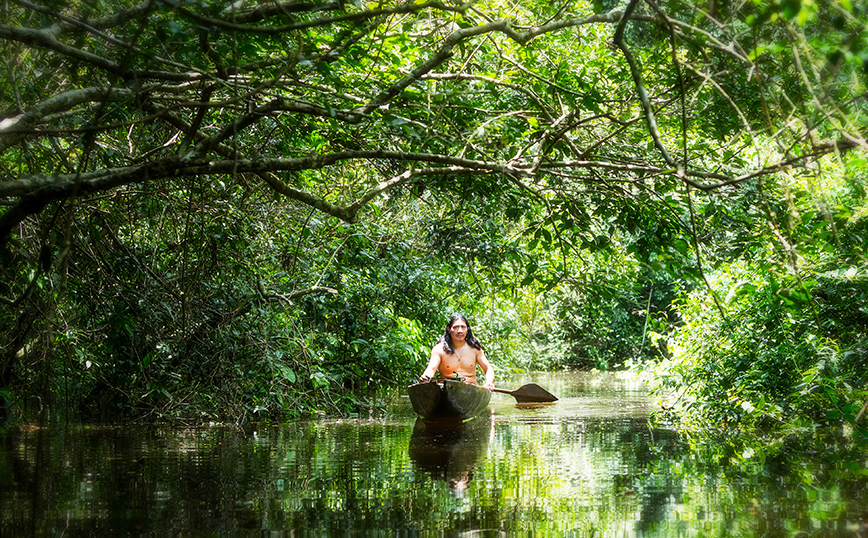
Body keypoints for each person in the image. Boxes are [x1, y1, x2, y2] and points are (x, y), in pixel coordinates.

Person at [419, 314, 495, 391]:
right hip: (448, 391)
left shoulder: (475, 349)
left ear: (467, 329)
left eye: (463, 327)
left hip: (471, 391)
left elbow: (488, 369)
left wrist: (489, 382)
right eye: (455, 327)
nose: (459, 331)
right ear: (449, 329)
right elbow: (431, 369)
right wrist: (426, 377)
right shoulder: (439, 349)